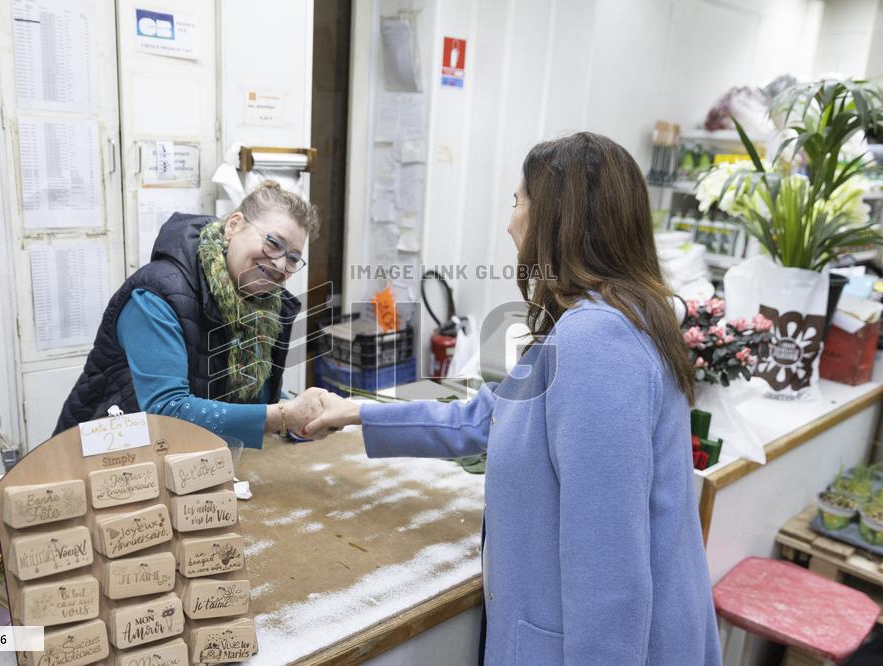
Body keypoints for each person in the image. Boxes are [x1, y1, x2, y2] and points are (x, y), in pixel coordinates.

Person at [303, 133, 722, 664]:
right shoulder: (611, 316)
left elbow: (609, 575)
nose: (509, 221)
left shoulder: (596, 341)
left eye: (518, 200)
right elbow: (488, 417)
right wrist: (355, 412)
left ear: (557, 217)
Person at [54, 180, 327, 447]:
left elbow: (251, 397)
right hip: (105, 461)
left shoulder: (263, 310)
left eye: (292, 258)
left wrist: (304, 415)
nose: (280, 263)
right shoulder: (156, 296)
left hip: (186, 463)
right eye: (273, 243)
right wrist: (283, 416)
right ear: (234, 226)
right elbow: (167, 411)